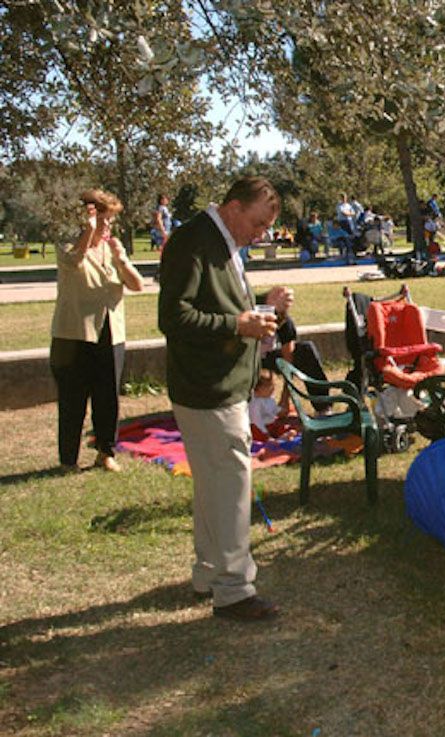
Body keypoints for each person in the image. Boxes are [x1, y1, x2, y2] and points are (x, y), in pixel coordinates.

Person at [158, 175, 292, 622]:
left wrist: (262, 306)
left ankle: (208, 573)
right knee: (233, 485)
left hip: (221, 386)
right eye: (256, 224)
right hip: (207, 388)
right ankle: (234, 589)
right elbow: (175, 317)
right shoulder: (193, 241)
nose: (259, 235)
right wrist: (239, 324)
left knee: (215, 486)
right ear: (233, 207)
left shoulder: (222, 241)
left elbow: (221, 303)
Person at [52, 188, 145, 472]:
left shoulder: (113, 248)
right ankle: (68, 459)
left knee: (107, 398)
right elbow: (72, 263)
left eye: (111, 221)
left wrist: (121, 258)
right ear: (88, 219)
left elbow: (136, 284)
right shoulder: (68, 245)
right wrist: (87, 235)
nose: (109, 227)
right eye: (104, 220)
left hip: (110, 334)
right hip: (73, 335)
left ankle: (106, 452)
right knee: (72, 400)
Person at [249, 369, 290, 442]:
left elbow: (273, 408)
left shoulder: (270, 398)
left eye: (273, 384)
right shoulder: (255, 403)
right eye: (269, 386)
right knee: (259, 433)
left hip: (270, 423)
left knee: (280, 426)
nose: (273, 388)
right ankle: (272, 439)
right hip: (259, 426)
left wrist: (280, 410)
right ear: (258, 389)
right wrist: (265, 432)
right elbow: (256, 420)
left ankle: (280, 436)